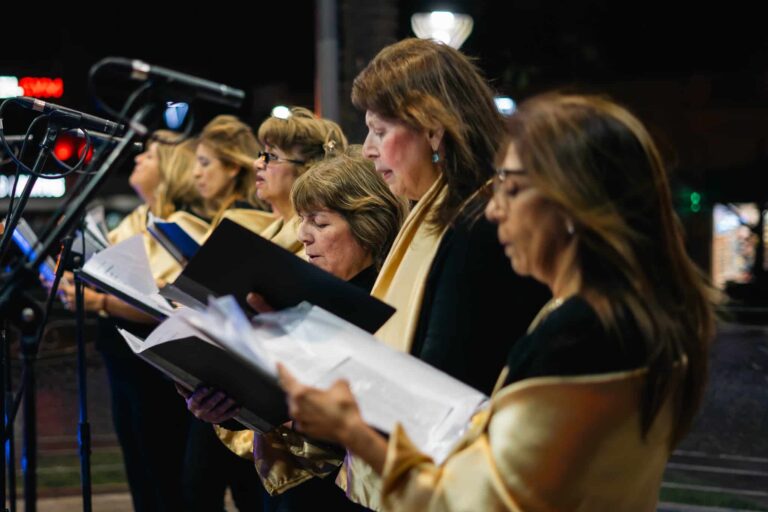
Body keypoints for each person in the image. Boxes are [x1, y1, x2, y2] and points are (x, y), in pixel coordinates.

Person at [277, 92, 716, 511]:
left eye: (510, 185)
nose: (493, 210)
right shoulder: (626, 311)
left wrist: (351, 429)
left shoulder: (582, 333)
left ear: (570, 201)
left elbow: (475, 502)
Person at [187, 149, 406, 512]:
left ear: (369, 226)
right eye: (303, 220)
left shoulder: (388, 305)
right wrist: (221, 406)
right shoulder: (301, 297)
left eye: (320, 223)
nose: (303, 236)